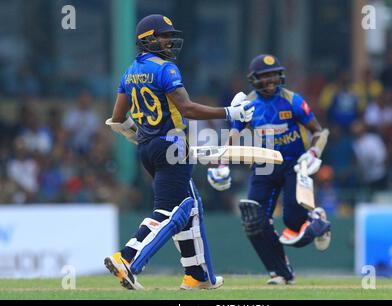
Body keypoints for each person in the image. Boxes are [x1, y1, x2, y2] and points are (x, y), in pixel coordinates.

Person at [104, 14, 254, 290]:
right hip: (172, 146)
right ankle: (127, 258)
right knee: (172, 210)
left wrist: (140, 136)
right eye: (164, 36)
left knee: (192, 206)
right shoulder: (166, 69)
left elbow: (117, 118)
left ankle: (197, 274)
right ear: (148, 40)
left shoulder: (129, 71)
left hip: (148, 150)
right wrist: (228, 112)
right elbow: (187, 109)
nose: (169, 42)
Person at [207, 54, 331, 284]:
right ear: (254, 80)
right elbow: (232, 137)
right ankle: (281, 273)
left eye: (273, 75)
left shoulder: (292, 100)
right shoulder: (248, 105)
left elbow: (319, 131)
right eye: (264, 77)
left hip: (295, 164)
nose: (270, 81)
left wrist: (314, 153)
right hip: (264, 165)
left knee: (294, 224)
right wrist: (221, 164)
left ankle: (318, 220)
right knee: (253, 220)